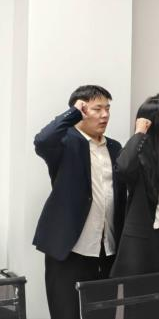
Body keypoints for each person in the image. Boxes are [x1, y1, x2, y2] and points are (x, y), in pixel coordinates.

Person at [33, 85, 127, 319]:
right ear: (82, 111)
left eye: (107, 108)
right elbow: (42, 140)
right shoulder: (65, 142)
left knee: (104, 314)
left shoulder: (114, 147)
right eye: (97, 109)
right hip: (69, 250)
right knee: (66, 313)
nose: (105, 115)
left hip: (106, 250)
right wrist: (73, 113)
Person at [110, 98, 159, 291]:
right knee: (144, 303)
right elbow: (123, 168)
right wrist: (139, 133)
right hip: (145, 247)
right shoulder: (140, 159)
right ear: (151, 125)